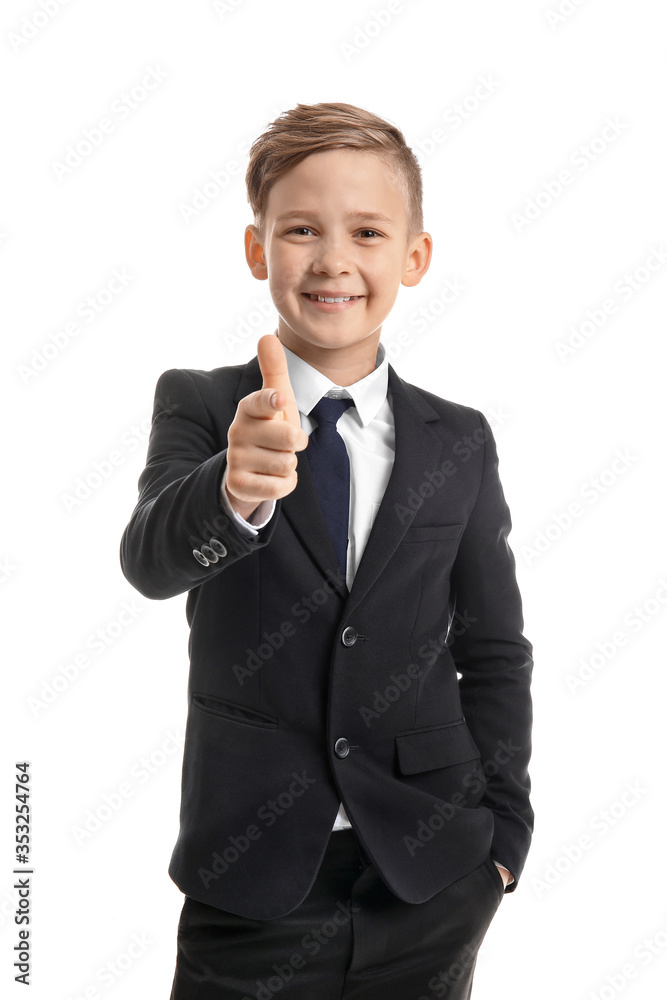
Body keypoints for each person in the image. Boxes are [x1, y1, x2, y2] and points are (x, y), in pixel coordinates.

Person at [120, 101, 534, 999]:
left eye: (368, 231)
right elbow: (149, 561)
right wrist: (231, 491)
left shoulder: (457, 438)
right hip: (254, 881)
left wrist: (501, 843)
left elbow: (493, 648)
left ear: (413, 257)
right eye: (300, 229)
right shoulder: (201, 404)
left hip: (428, 877)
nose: (333, 259)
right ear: (257, 250)